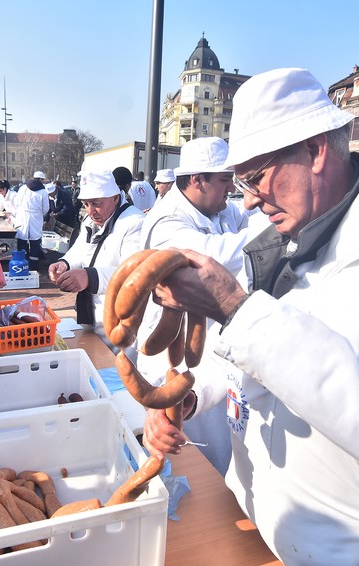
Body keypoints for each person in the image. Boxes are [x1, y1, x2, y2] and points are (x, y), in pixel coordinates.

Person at [142, 68, 359, 564]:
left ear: (315, 151)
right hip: (263, 526)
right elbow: (270, 362)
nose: (249, 200)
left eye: (255, 178)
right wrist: (193, 395)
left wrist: (233, 308)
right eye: (240, 182)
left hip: (357, 549)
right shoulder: (291, 234)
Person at [137, 136, 250, 475]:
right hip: (174, 358)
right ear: (198, 180)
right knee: (190, 459)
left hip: (211, 352)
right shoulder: (166, 221)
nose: (231, 188)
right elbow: (211, 260)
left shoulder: (220, 210)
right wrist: (272, 227)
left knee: (219, 452)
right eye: (225, 180)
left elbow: (244, 218)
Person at [47, 171, 145, 358]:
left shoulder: (135, 223)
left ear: (115, 198)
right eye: (86, 204)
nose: (91, 211)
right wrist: (64, 264)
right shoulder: (91, 220)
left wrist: (89, 277)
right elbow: (80, 250)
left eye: (96, 203)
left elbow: (134, 274)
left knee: (120, 366)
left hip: (122, 323)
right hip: (93, 318)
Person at [12, 170, 51, 271]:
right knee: (35, 242)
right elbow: (46, 208)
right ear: (41, 180)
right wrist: (38, 213)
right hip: (35, 218)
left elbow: (16, 202)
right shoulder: (43, 191)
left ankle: (22, 264)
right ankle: (33, 267)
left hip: (22, 217)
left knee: (22, 240)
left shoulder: (23, 188)